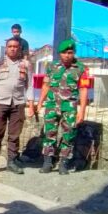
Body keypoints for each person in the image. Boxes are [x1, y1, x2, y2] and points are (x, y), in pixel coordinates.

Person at [0, 37, 35, 176]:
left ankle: (11, 161)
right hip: (0, 102)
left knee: (14, 135)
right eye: (10, 46)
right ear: (6, 48)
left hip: (18, 103)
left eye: (15, 46)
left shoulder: (25, 64)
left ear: (19, 49)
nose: (13, 48)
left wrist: (30, 105)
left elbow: (29, 85)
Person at [37, 39, 89, 175]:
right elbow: (46, 85)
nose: (67, 55)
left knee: (69, 135)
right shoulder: (51, 67)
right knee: (49, 134)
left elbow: (83, 90)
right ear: (59, 54)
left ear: (74, 53)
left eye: (70, 52)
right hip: (52, 105)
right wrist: (40, 102)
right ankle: (48, 162)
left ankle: (64, 163)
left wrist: (81, 111)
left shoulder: (81, 69)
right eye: (64, 52)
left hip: (69, 107)